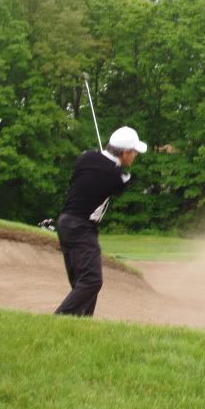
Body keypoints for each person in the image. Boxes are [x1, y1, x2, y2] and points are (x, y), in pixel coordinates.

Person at [54, 126, 147, 316]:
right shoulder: (119, 177)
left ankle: (82, 326)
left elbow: (92, 160)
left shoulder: (85, 158)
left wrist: (104, 159)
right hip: (81, 227)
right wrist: (111, 164)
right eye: (134, 152)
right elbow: (121, 178)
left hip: (65, 223)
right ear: (125, 153)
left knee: (83, 284)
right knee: (92, 281)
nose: (135, 156)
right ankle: (58, 319)